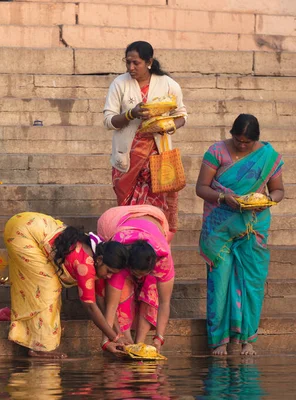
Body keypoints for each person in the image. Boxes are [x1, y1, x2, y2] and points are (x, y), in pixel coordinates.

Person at [195, 114, 284, 356]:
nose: (242, 145)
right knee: (220, 282)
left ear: (256, 139)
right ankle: (219, 340)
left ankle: (247, 340)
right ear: (231, 133)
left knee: (251, 281)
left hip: (254, 224)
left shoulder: (268, 157)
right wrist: (224, 197)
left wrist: (266, 200)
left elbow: (278, 191)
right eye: (238, 139)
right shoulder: (216, 151)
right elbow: (201, 187)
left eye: (247, 142)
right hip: (220, 226)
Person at [4, 212, 131, 359]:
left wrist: (117, 336)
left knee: (45, 286)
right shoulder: (86, 266)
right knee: (48, 288)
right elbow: (90, 305)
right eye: (109, 272)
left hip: (28, 222)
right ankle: (39, 348)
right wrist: (114, 339)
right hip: (23, 233)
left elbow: (102, 300)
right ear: (100, 260)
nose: (108, 277)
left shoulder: (96, 251)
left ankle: (33, 340)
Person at [103, 41, 188, 238]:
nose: (131, 68)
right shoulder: (119, 84)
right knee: (129, 214)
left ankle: (155, 244)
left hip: (158, 160)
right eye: (128, 63)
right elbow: (108, 121)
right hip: (127, 160)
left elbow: (182, 115)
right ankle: (130, 245)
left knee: (156, 211)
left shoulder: (168, 84)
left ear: (149, 62)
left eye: (136, 63)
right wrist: (131, 114)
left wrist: (168, 125)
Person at [95, 205, 175, 354]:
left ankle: (140, 341)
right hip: (113, 220)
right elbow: (111, 306)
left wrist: (159, 338)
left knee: (151, 286)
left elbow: (165, 302)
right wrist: (106, 341)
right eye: (135, 273)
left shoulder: (163, 258)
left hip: (154, 216)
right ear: (128, 265)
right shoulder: (121, 251)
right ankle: (126, 340)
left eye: (142, 274)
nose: (139, 278)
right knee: (122, 290)